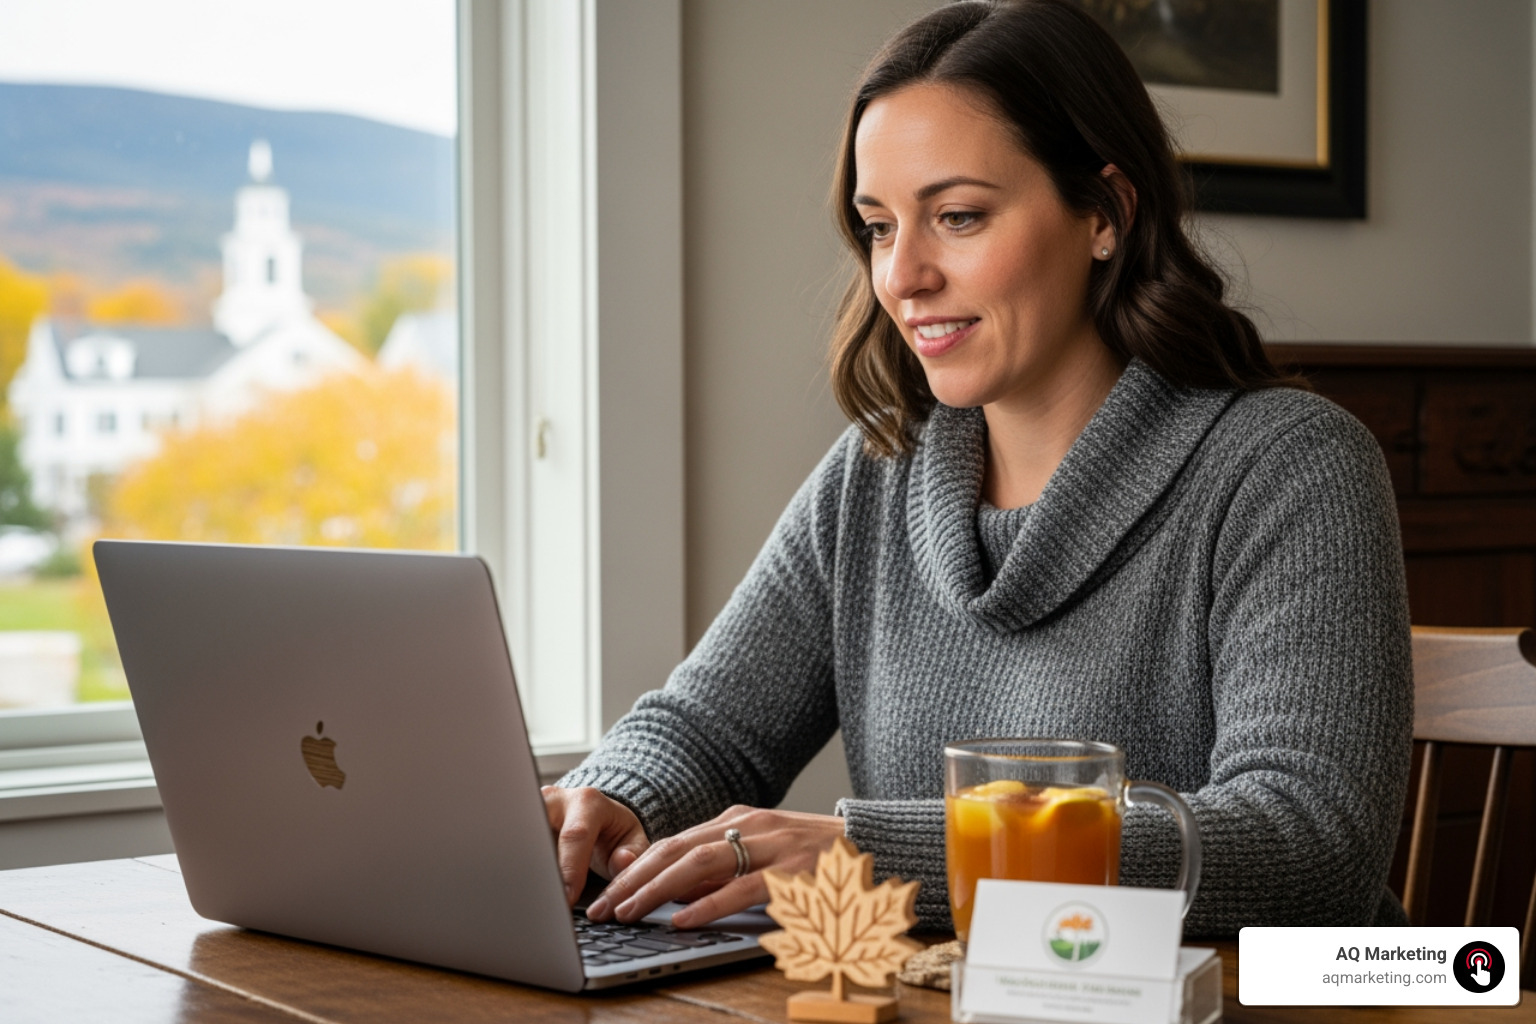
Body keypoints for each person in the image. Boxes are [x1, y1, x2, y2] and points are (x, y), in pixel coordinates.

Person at [543, 0, 1412, 935]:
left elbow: (1309, 849)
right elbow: (709, 727)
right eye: (879, 226)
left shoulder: (1288, 469)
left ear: (1106, 214)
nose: (902, 276)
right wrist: (610, 800)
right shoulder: (874, 475)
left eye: (957, 217)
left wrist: (875, 857)